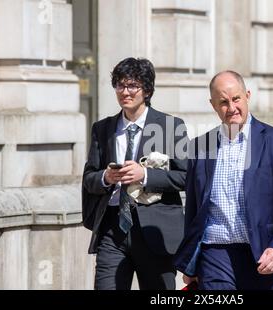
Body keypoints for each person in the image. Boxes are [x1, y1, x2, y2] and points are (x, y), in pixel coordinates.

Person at [174, 71, 273, 290]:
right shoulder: (199, 147)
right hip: (215, 255)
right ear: (213, 105)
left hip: (263, 254)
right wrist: (191, 264)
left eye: (236, 99)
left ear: (247, 95)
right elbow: (194, 209)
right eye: (223, 102)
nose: (231, 108)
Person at [82, 57, 189, 290]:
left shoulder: (170, 126)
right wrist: (105, 178)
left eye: (132, 86)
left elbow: (186, 176)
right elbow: (89, 177)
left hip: (154, 231)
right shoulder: (102, 128)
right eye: (120, 85)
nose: (125, 92)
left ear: (147, 90)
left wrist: (146, 175)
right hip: (112, 229)